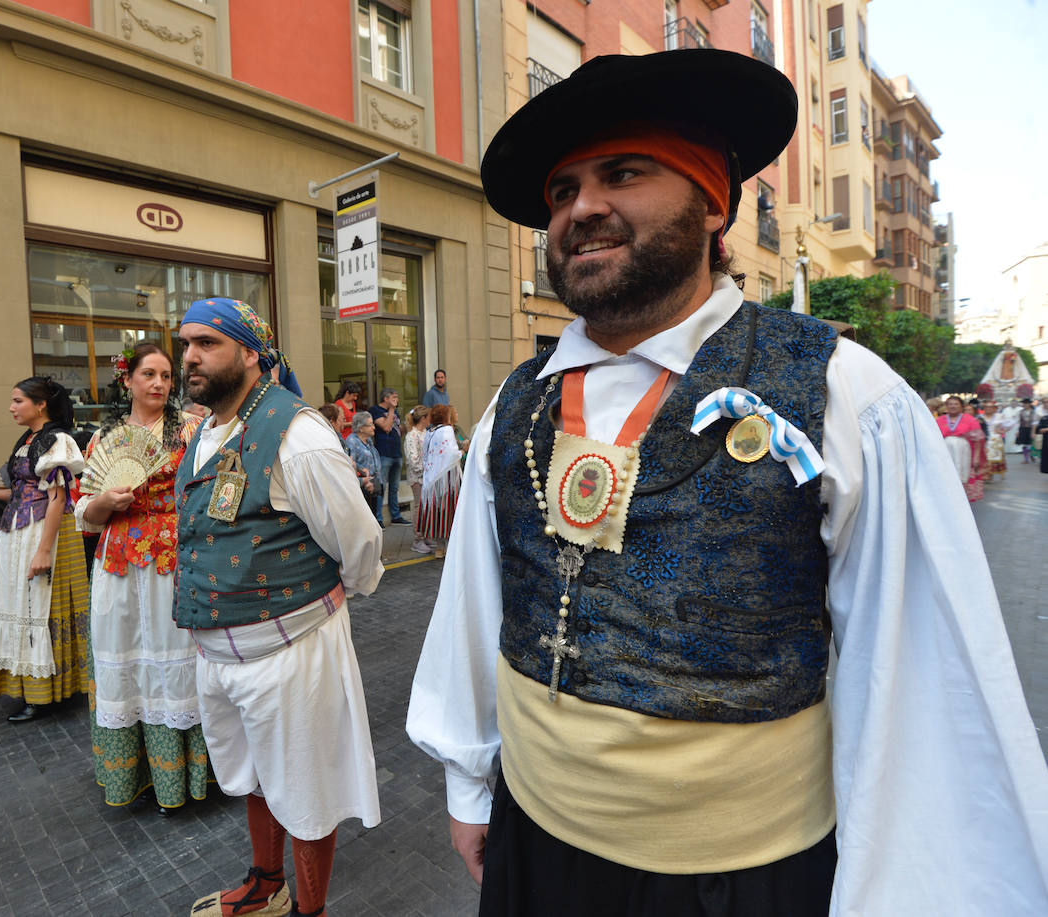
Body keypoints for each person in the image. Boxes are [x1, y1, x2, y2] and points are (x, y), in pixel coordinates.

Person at [406, 50, 1048, 916]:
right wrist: (468, 780)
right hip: (535, 847)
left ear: (713, 201)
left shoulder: (842, 391)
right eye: (562, 190)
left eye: (623, 173)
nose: (582, 207)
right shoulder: (517, 403)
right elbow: (478, 603)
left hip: (741, 882)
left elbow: (915, 678)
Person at [175, 298, 384, 917]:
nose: (190, 356)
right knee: (253, 773)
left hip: (291, 651)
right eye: (186, 342)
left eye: (207, 343)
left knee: (305, 784)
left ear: (250, 354)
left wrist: (324, 596)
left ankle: (309, 910)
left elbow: (360, 542)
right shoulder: (208, 431)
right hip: (218, 652)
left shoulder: (299, 433)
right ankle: (266, 883)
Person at [74, 342, 208, 814]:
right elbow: (84, 511)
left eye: (167, 376)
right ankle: (136, 773)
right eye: (149, 374)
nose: (159, 384)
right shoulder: (101, 439)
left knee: (177, 654)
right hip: (118, 560)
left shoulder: (193, 430)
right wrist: (105, 504)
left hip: (174, 556)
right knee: (125, 654)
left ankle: (191, 775)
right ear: (126, 379)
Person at [0, 377, 89, 723]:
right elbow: (25, 491)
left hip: (44, 531)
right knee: (20, 603)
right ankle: (34, 689)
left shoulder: (59, 440)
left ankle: (45, 693)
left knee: (41, 606)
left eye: (18, 401)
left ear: (41, 405)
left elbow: (58, 497)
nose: (11, 407)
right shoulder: (28, 440)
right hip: (17, 530)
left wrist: (44, 550)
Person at [416, 404, 462, 556]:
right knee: (449, 510)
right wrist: (462, 451)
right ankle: (450, 547)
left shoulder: (430, 431)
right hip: (447, 477)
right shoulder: (447, 430)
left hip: (432, 477)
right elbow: (451, 454)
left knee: (437, 511)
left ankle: (439, 547)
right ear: (445, 416)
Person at [368, 388, 407, 525]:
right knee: (381, 486)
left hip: (396, 452)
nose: (396, 400)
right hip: (384, 453)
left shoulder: (394, 411)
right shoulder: (375, 411)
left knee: (394, 487)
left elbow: (397, 429)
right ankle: (379, 518)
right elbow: (385, 427)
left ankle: (395, 516)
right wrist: (391, 410)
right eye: (393, 397)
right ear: (385, 398)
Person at [939, 395, 987, 502]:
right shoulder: (939, 420)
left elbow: (978, 440)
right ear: (946, 406)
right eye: (950, 404)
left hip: (964, 452)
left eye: (956, 404)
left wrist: (976, 457)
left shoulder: (970, 420)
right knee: (946, 474)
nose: (953, 406)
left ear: (961, 406)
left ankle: (961, 498)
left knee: (962, 474)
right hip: (944, 452)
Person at [404, 405, 433, 555]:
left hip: (426, 477)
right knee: (418, 506)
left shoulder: (425, 433)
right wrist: (426, 470)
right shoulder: (412, 436)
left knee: (425, 507)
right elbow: (412, 459)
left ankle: (426, 535)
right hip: (418, 478)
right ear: (423, 419)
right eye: (428, 417)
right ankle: (417, 539)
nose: (430, 420)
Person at [345, 412, 383, 524]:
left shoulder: (368, 440)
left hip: (373, 483)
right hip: (363, 486)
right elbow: (350, 463)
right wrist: (363, 473)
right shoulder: (352, 441)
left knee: (374, 518)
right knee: (366, 521)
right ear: (361, 428)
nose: (374, 427)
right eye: (370, 425)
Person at [1017, 398, 1036, 463]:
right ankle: (1026, 459)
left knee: (1031, 444)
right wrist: (1018, 431)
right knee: (1024, 444)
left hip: (1031, 429)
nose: (1025, 404)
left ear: (1029, 404)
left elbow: (1035, 422)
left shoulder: (1034, 412)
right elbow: (1019, 421)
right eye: (1024, 403)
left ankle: (1031, 455)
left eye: (1027, 403)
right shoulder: (1021, 412)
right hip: (1023, 429)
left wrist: (1034, 431)